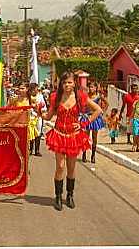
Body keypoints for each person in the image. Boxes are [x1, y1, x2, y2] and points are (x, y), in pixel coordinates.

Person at [41, 71, 102, 211]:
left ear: (74, 83)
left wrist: (84, 123)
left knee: (71, 168)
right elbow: (49, 116)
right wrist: (39, 113)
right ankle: (58, 196)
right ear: (61, 84)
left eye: (69, 82)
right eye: (64, 82)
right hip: (59, 135)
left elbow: (98, 110)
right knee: (60, 167)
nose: (67, 85)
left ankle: (69, 195)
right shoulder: (55, 97)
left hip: (74, 136)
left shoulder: (81, 97)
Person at [9, 82, 39, 154]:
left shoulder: (31, 99)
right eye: (19, 88)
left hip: (27, 123)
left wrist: (35, 108)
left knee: (26, 143)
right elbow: (8, 108)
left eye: (22, 88)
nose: (20, 90)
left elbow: (37, 110)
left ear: (27, 89)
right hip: (17, 123)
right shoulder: (15, 99)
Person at [82, 82, 106, 163]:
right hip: (87, 117)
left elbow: (106, 104)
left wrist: (102, 112)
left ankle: (93, 155)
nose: (91, 89)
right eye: (90, 87)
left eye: (92, 87)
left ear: (96, 88)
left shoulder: (98, 97)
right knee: (85, 137)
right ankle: (84, 154)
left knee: (94, 137)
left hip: (95, 118)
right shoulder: (86, 96)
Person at [29, 83, 47, 156]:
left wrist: (41, 110)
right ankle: (30, 149)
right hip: (30, 117)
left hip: (38, 117)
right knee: (30, 133)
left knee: (38, 133)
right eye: (34, 89)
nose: (36, 91)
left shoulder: (40, 97)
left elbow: (44, 107)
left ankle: (37, 150)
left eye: (37, 89)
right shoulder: (28, 97)